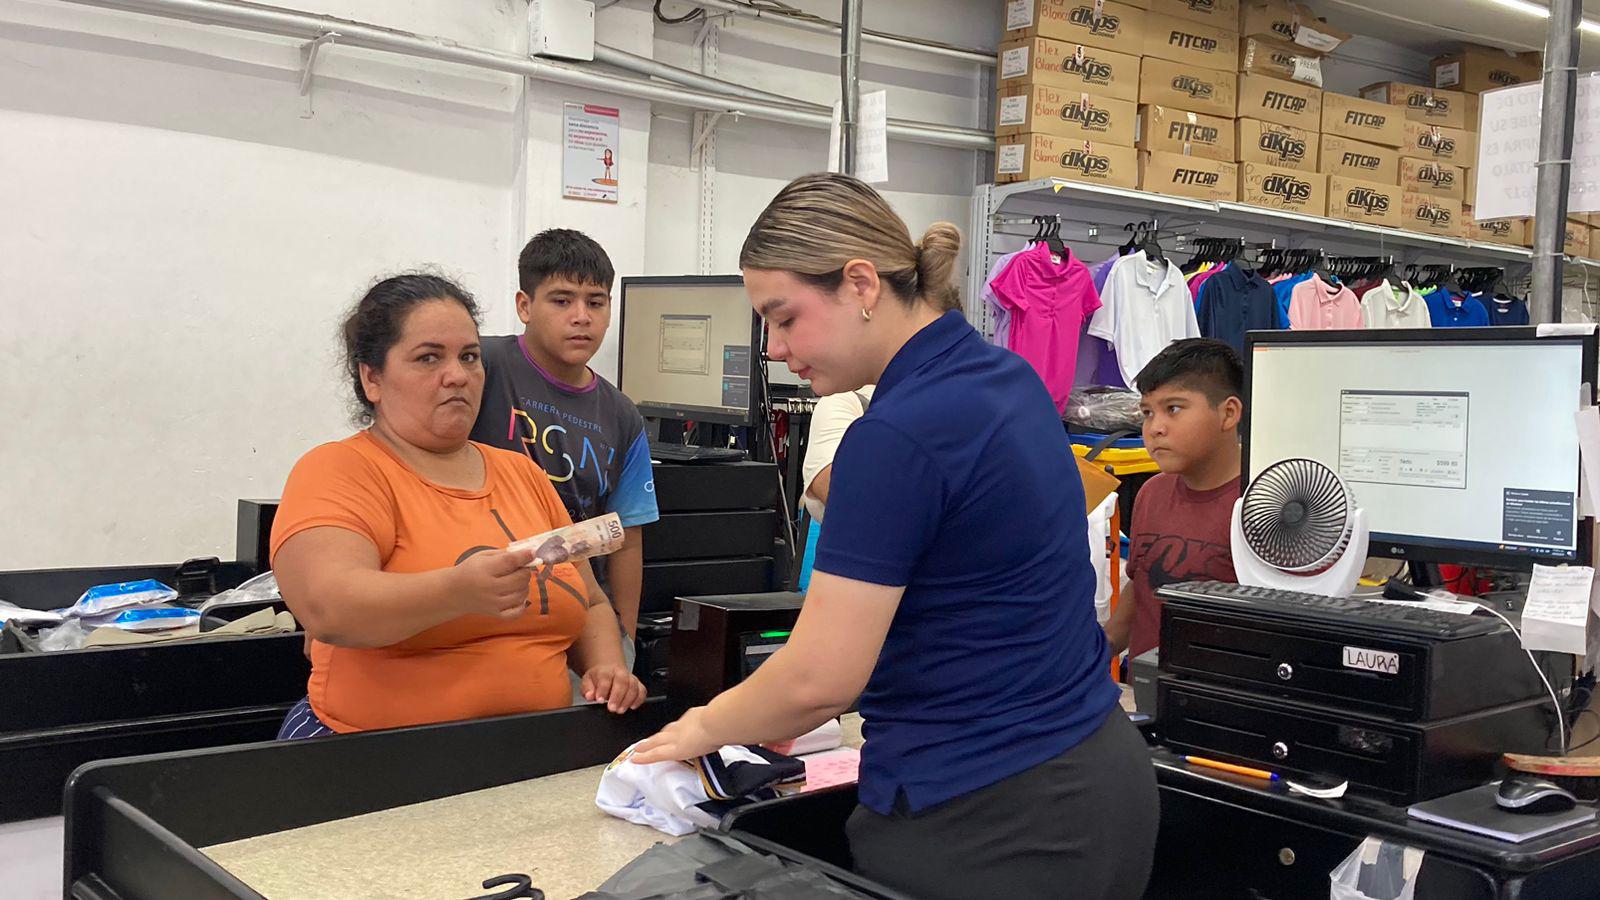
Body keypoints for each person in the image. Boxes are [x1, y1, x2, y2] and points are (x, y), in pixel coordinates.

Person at [630, 174, 1158, 899]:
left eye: (784, 318)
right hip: (1097, 780)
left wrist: (695, 730)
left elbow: (819, 677)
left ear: (860, 284)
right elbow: (973, 602)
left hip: (990, 819)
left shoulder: (895, 436)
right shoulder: (1007, 379)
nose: (776, 348)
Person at [270, 273, 645, 739]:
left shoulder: (523, 474)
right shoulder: (342, 470)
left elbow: (588, 600)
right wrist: (457, 592)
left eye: (469, 357)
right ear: (373, 378)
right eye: (429, 358)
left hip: (532, 754)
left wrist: (607, 666)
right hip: (372, 756)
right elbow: (329, 608)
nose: (458, 375)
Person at [470, 230, 658, 659]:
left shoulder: (623, 415)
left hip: (578, 613)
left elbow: (626, 536)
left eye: (596, 302)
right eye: (561, 300)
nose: (581, 316)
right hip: (488, 611)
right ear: (524, 306)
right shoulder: (480, 366)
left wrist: (622, 639)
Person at [1105, 338, 1243, 663]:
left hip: (1222, 699)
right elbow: (1141, 588)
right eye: (1147, 413)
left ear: (1228, 413)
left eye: (1174, 409)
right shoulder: (1151, 493)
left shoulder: (1262, 506)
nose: (1155, 429)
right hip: (1151, 698)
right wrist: (1093, 650)